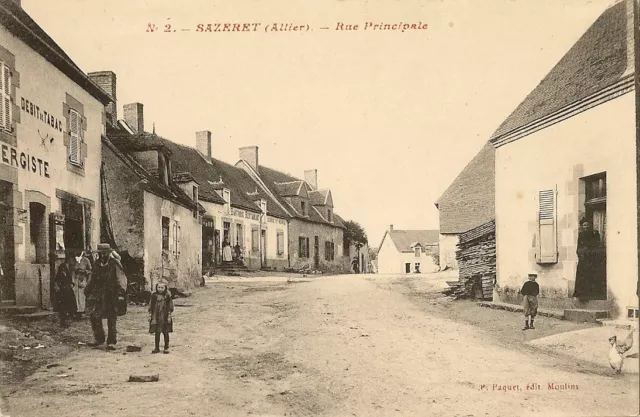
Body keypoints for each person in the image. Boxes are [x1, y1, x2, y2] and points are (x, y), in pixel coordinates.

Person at [84, 243, 127, 351]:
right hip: (97, 293)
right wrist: (88, 289)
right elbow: (92, 277)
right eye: (100, 253)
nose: (102, 255)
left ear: (108, 253)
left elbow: (121, 278)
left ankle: (111, 342)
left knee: (111, 318)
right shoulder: (97, 264)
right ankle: (99, 339)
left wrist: (121, 293)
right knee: (94, 315)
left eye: (104, 253)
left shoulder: (114, 263)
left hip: (111, 294)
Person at [573, 218, 601, 299]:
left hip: (592, 259)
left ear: (590, 225)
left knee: (591, 276)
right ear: (582, 226)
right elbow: (578, 248)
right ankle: (581, 294)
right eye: (584, 225)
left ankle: (591, 294)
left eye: (588, 225)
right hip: (583, 259)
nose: (586, 227)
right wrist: (581, 255)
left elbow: (597, 245)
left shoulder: (595, 234)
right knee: (582, 276)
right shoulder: (581, 235)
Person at [148, 279, 174, 354]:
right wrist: (150, 315)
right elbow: (151, 306)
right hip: (156, 317)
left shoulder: (167, 296)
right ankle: (156, 347)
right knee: (157, 332)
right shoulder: (154, 296)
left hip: (164, 316)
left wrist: (169, 316)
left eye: (162, 288)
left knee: (165, 332)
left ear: (165, 288)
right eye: (158, 287)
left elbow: (170, 307)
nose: (160, 289)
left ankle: (166, 347)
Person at [68, 250, 92, 318]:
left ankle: (81, 310)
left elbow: (90, 270)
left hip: (82, 279)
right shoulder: (71, 260)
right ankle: (74, 310)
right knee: (74, 294)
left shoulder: (86, 260)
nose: (78, 253)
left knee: (81, 295)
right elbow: (68, 269)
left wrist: (84, 272)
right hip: (74, 279)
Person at [53, 260, 77, 328]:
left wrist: (72, 284)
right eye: (62, 269)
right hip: (62, 293)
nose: (63, 270)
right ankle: (62, 322)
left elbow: (71, 281)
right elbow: (57, 282)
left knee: (69, 307)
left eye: (65, 268)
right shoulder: (59, 275)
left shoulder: (68, 274)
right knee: (62, 308)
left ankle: (67, 321)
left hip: (68, 292)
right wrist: (60, 287)